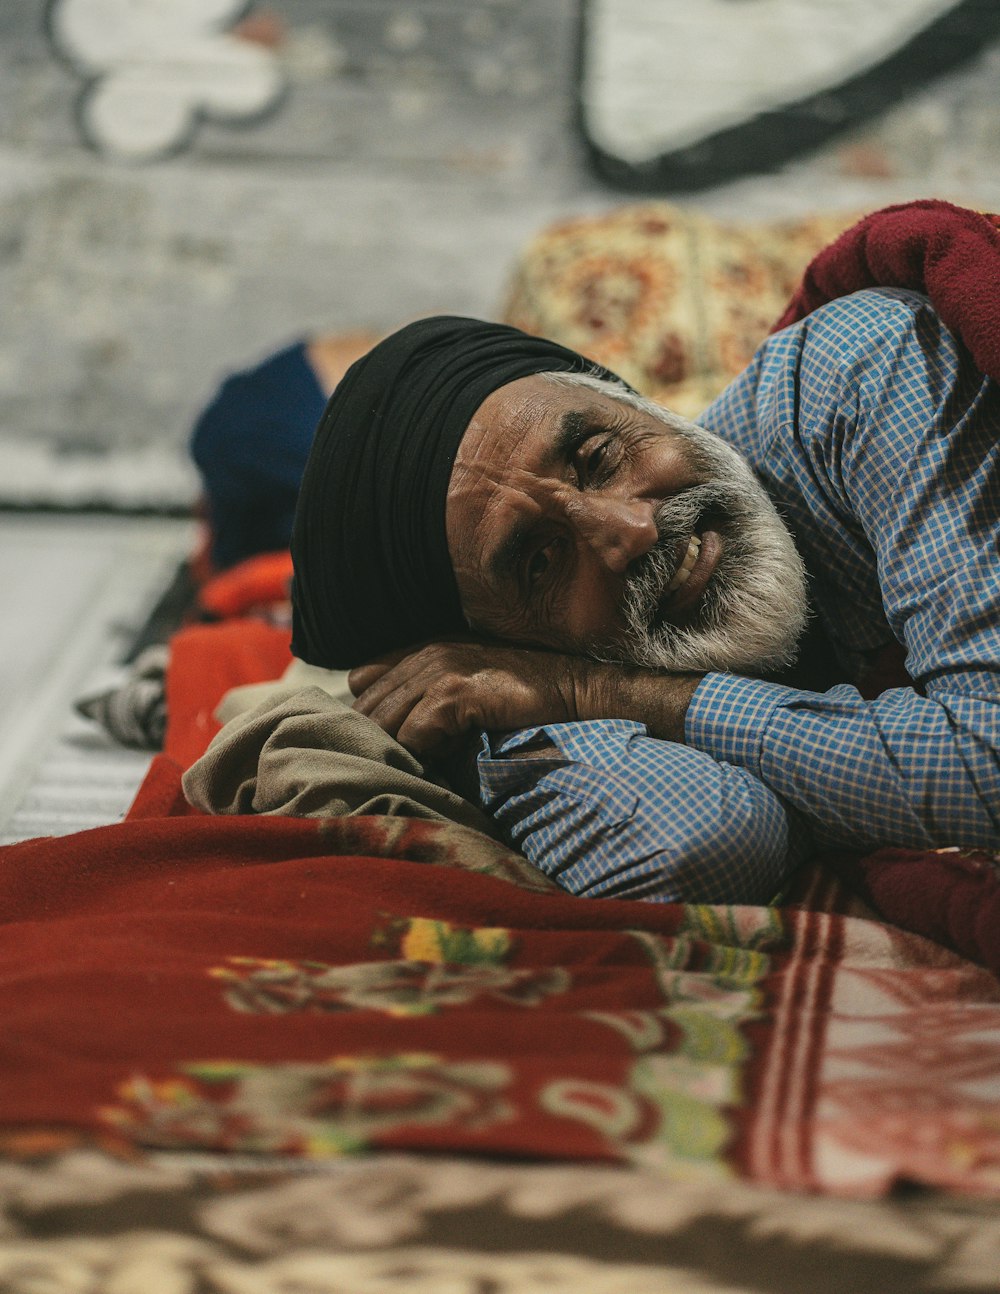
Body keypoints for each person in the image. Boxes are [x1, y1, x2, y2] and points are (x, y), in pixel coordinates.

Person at [289, 287, 1000, 904]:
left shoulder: (863, 369)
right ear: (504, 646)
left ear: (644, 405)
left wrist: (597, 691)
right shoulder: (527, 674)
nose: (631, 529)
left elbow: (987, 761)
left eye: (601, 456)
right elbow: (703, 841)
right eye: (541, 563)